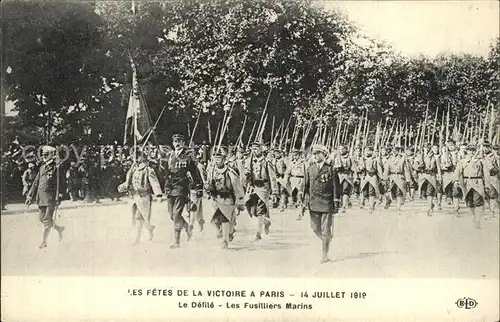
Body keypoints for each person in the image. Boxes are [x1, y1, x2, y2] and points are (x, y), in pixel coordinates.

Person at [162, 134, 203, 248]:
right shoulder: (169, 156)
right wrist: (166, 186)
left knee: (176, 215)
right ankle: (188, 229)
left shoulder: (188, 156)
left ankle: (177, 241)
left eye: (180, 141)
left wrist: (198, 186)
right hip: (171, 187)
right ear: (173, 143)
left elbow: (195, 172)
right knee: (172, 215)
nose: (177, 143)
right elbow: (166, 174)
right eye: (175, 141)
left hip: (182, 187)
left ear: (184, 143)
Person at [302, 144, 341, 263]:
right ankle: (326, 240)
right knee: (314, 228)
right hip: (314, 203)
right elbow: (306, 185)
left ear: (323, 155)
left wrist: (336, 202)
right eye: (314, 154)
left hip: (326, 202)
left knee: (325, 230)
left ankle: (324, 255)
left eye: (317, 154)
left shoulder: (330, 169)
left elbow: (336, 187)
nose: (315, 156)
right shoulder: (310, 169)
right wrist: (303, 200)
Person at [118, 150, 163, 245]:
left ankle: (139, 238)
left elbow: (154, 182)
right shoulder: (133, 168)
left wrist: (158, 194)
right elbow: (129, 181)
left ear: (142, 157)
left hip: (143, 197)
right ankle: (148, 229)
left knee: (139, 217)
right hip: (134, 197)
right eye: (133, 156)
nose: (135, 158)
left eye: (137, 156)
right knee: (137, 218)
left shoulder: (147, 169)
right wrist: (123, 186)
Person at [25, 146, 65, 249]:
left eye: (46, 155)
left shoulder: (57, 167)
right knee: (41, 218)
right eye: (43, 155)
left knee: (47, 220)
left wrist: (59, 197)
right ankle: (59, 228)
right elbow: (36, 182)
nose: (44, 156)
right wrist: (30, 196)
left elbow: (62, 183)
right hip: (41, 197)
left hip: (51, 198)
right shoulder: (42, 167)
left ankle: (44, 241)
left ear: (52, 155)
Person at [206, 150, 246, 248]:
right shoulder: (212, 171)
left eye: (219, 159)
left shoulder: (230, 172)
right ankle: (228, 231)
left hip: (227, 199)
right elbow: (208, 183)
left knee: (225, 219)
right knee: (215, 220)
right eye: (215, 159)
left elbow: (237, 187)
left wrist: (240, 202)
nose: (216, 161)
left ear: (224, 160)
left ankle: (225, 240)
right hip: (217, 199)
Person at [243, 141, 278, 241]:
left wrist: (275, 192)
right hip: (253, 187)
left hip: (263, 188)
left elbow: (273, 177)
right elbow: (245, 174)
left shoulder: (266, 161)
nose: (254, 151)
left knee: (260, 210)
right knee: (251, 209)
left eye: (256, 148)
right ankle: (266, 222)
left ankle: (258, 234)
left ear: (261, 149)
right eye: (253, 149)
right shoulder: (249, 161)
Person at [455, 145, 490, 228]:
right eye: (469, 150)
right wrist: (456, 180)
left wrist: (487, 184)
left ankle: (477, 219)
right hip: (466, 183)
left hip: (478, 182)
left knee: (478, 201)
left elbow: (486, 173)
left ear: (476, 151)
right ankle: (474, 217)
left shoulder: (480, 161)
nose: (471, 152)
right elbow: (458, 171)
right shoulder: (462, 161)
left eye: (473, 150)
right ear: (466, 151)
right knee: (469, 202)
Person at [357, 146, 383, 213]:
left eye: (368, 151)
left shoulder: (375, 159)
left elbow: (379, 169)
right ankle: (372, 203)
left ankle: (371, 207)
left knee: (371, 192)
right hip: (364, 177)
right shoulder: (362, 159)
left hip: (372, 177)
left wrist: (382, 178)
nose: (367, 152)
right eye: (366, 151)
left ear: (371, 152)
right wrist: (360, 169)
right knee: (365, 193)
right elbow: (358, 167)